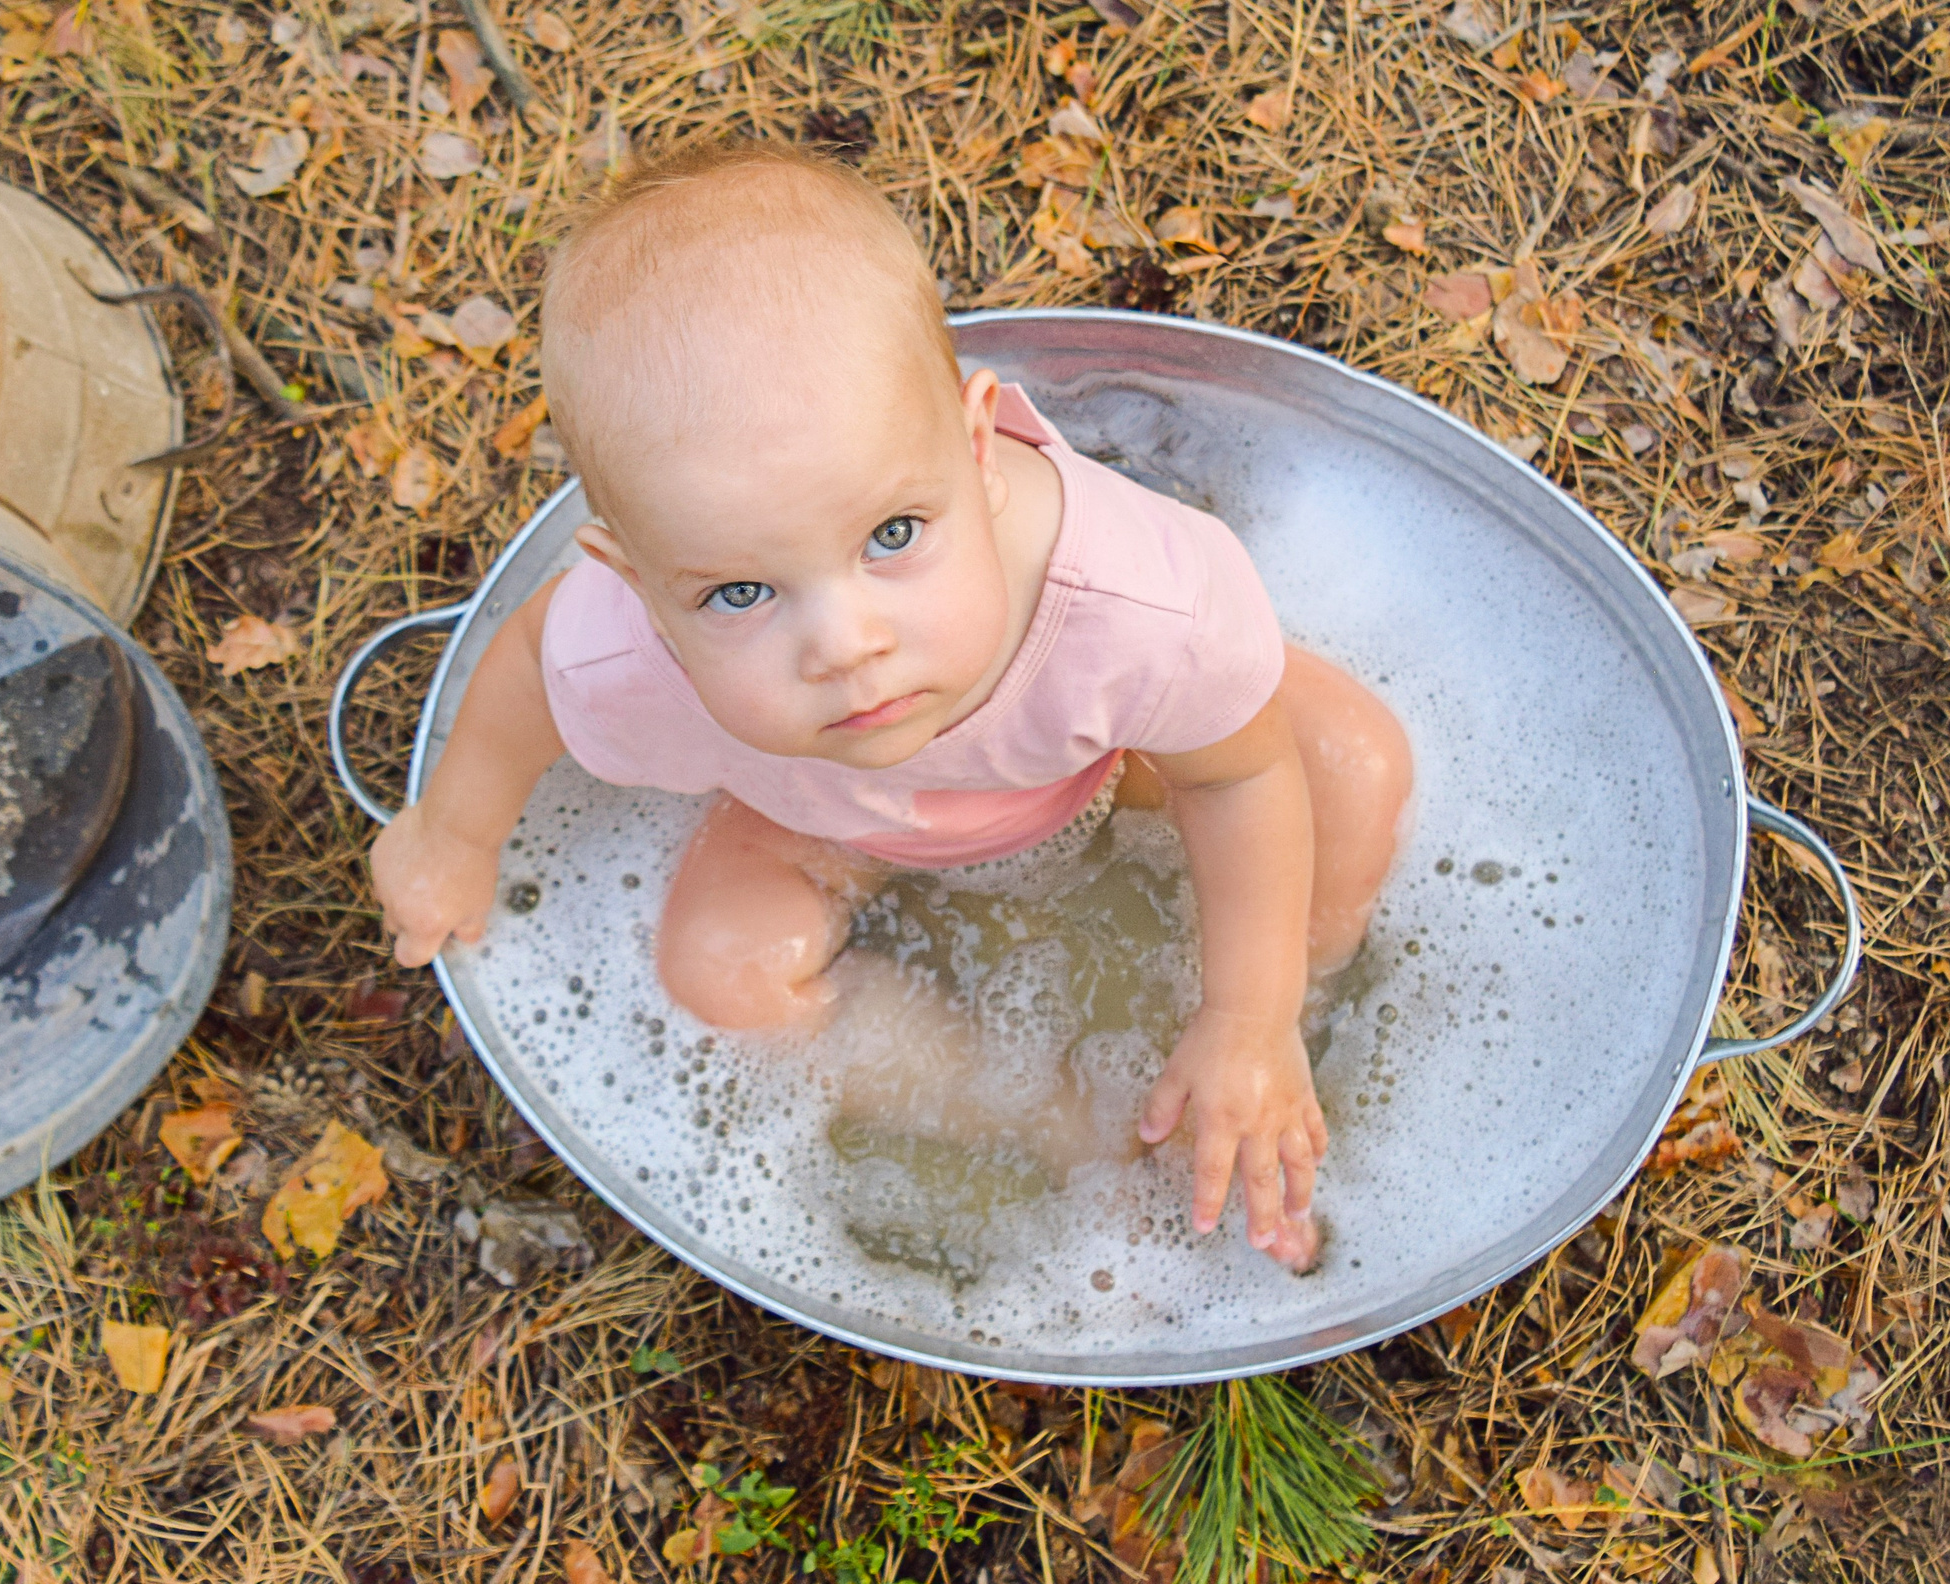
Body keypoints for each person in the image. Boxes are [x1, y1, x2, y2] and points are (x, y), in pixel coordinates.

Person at [368, 141, 1411, 1270]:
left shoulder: (1130, 608)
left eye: (893, 534)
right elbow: (534, 669)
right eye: (740, 592)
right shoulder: (640, 649)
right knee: (722, 972)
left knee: (1351, 764)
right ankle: (1074, 1123)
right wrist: (455, 833)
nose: (845, 647)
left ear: (978, 446)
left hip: (1107, 760)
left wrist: (1249, 1011)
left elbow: (1237, 774)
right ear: (637, 585)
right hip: (823, 814)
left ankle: (1285, 1026)